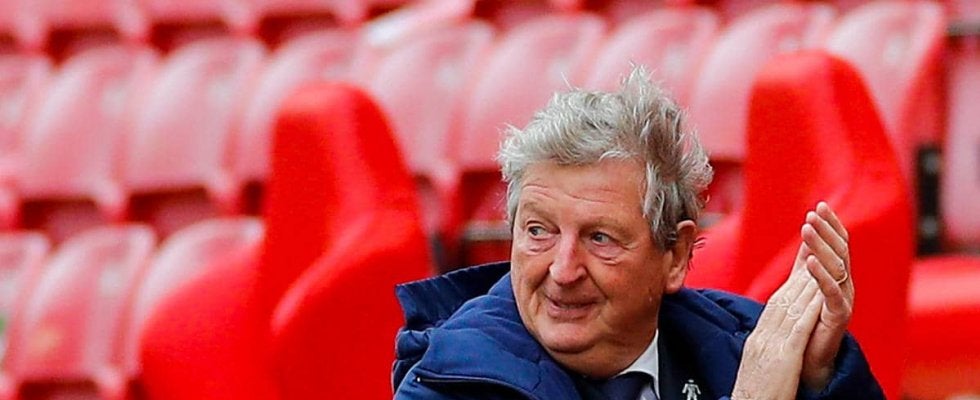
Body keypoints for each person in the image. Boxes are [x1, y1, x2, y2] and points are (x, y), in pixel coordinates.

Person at [391, 66, 884, 400]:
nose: (562, 271)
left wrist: (818, 382)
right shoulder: (451, 383)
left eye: (600, 238)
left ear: (676, 256)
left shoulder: (745, 347)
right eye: (539, 232)